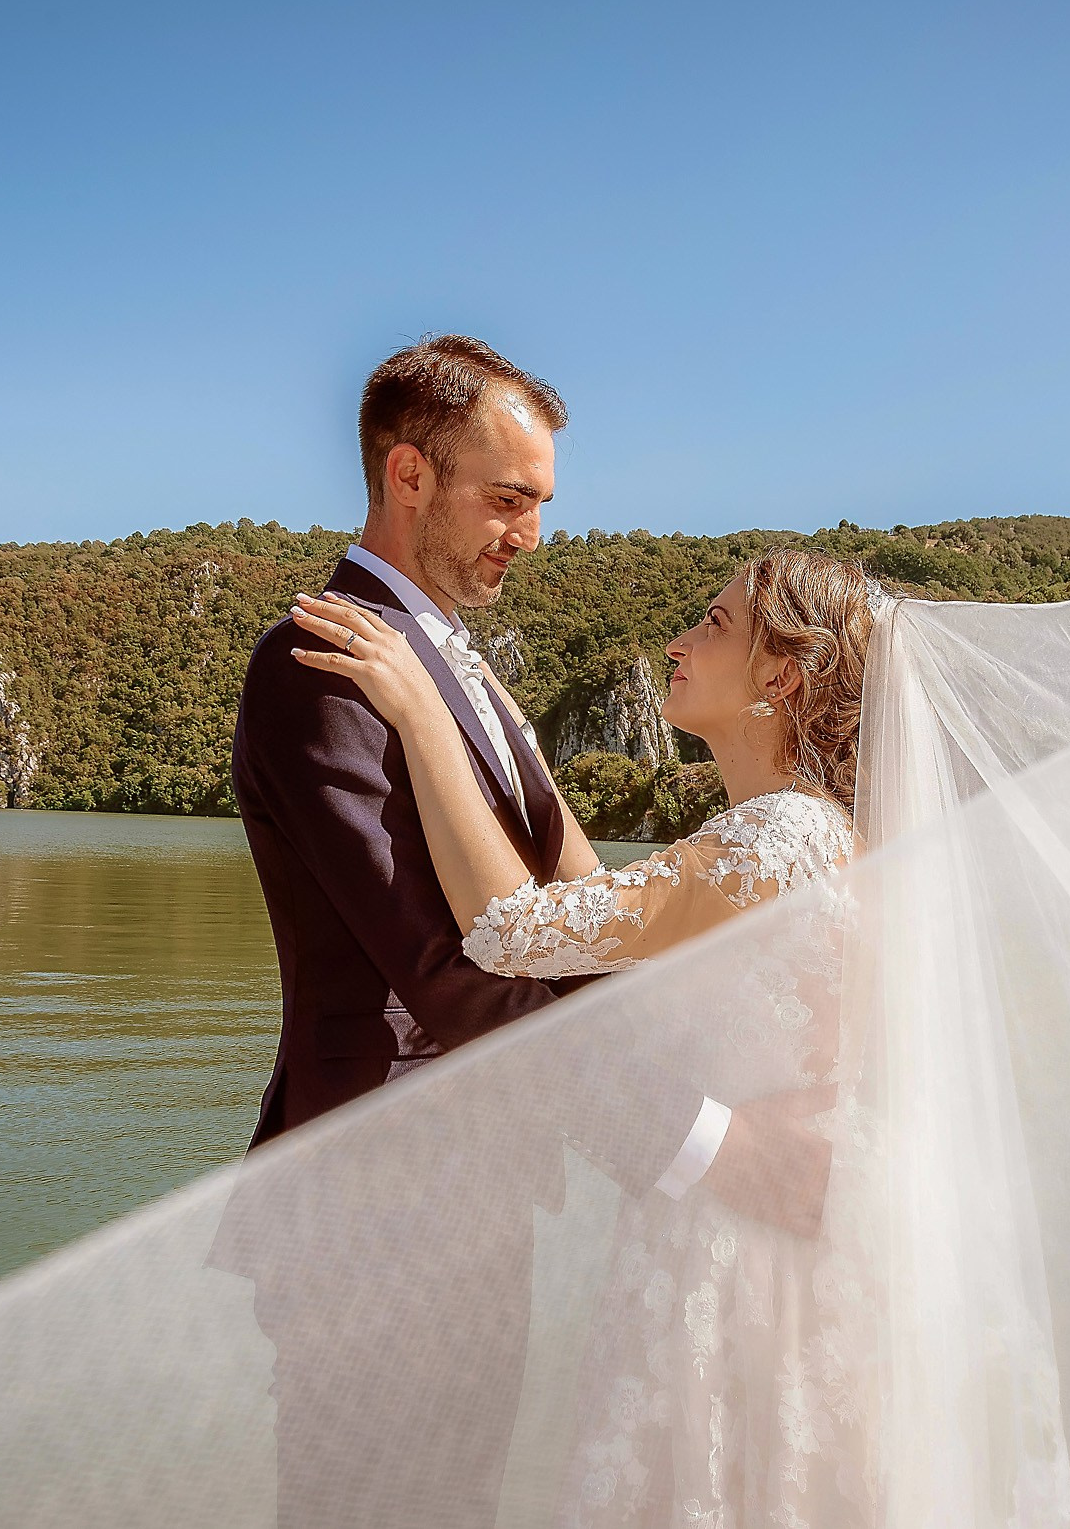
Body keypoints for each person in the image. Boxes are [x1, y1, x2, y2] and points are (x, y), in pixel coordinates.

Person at [221, 335, 831, 1529]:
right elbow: (450, 976)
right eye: (505, 499)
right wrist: (703, 1144)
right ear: (407, 477)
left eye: (540, 503)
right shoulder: (322, 667)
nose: (530, 533)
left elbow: (569, 923)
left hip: (476, 1202)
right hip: (370, 1215)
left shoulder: (462, 675)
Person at [287, 547, 879, 1528]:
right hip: (778, 1216)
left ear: (781, 675)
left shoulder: (770, 840)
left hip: (742, 1238)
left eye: (715, 624)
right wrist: (513, 737)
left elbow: (513, 928)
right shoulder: (799, 832)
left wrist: (422, 715)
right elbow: (603, 920)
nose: (676, 641)